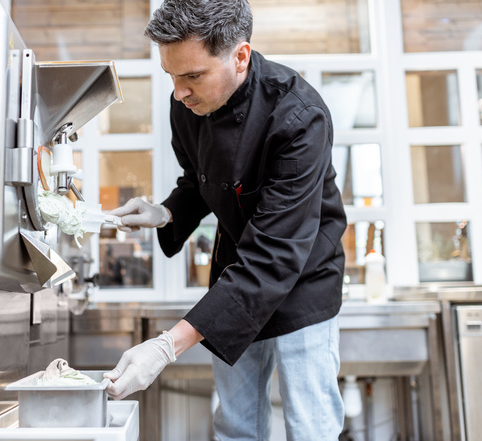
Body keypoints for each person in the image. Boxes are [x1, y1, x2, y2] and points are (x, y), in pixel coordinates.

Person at [103, 1, 347, 439]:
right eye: (172, 76)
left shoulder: (298, 117)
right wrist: (166, 212)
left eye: (193, 75)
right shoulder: (187, 103)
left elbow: (273, 256)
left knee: (310, 427)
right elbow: (200, 182)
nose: (179, 92)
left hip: (303, 280)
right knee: (236, 425)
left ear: (240, 56)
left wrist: (165, 346)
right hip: (236, 276)